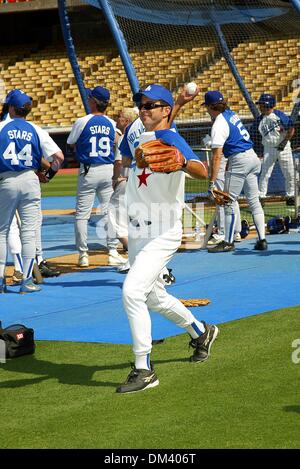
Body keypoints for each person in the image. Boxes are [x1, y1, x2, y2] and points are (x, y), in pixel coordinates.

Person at [116, 84, 219, 394]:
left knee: (132, 292)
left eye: (151, 105)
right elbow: (128, 156)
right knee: (152, 296)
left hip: (162, 231)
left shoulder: (171, 138)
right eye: (141, 104)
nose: (143, 109)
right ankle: (201, 331)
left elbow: (201, 170)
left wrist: (182, 161)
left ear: (165, 110)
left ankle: (144, 369)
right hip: (137, 230)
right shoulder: (136, 129)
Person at [0, 90, 64, 293]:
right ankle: (26, 281)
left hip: (6, 179)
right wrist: (47, 176)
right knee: (29, 232)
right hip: (30, 180)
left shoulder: (1, 127)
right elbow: (59, 157)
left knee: (2, 232)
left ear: (10, 108)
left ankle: (1, 281)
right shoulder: (35, 129)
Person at [67, 86, 126, 268]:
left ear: (93, 101)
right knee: (110, 212)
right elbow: (119, 144)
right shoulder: (111, 123)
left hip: (88, 170)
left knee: (82, 215)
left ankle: (83, 254)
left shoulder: (83, 121)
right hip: (108, 170)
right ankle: (112, 251)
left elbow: (70, 143)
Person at [203, 90, 267, 253]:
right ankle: (262, 240)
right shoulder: (230, 113)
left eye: (207, 107)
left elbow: (217, 157)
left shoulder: (219, 123)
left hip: (239, 160)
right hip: (252, 157)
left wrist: (212, 182)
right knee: (254, 201)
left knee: (228, 201)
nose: (206, 110)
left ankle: (228, 241)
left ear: (211, 106)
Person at [252, 93, 295, 206]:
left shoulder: (279, 115)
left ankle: (291, 195)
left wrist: (284, 142)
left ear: (268, 104)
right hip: (269, 148)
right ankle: (261, 196)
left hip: (284, 148)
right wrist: (259, 152)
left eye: (261, 104)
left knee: (289, 172)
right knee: (265, 173)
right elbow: (254, 136)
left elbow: (291, 129)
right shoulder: (259, 120)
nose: (260, 107)